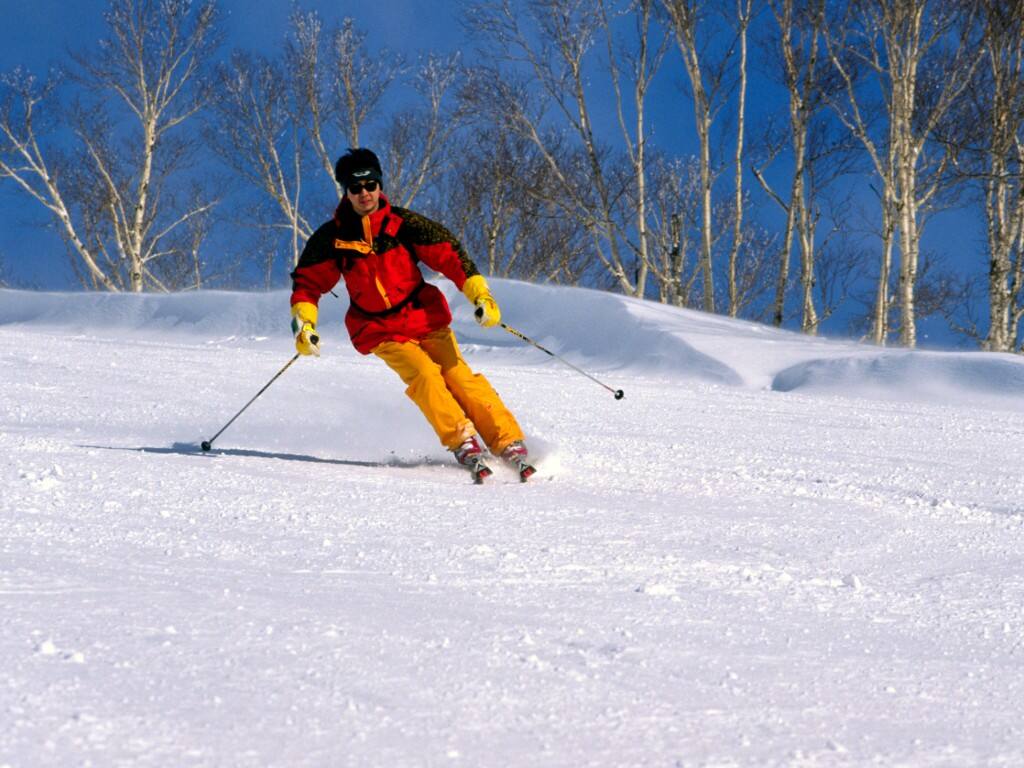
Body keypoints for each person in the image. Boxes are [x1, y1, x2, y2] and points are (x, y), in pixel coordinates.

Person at [289, 148, 533, 479]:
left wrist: (480, 295)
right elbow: (307, 284)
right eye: (356, 188)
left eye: (371, 184)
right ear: (345, 191)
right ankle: (463, 441)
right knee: (424, 374)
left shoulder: (403, 224)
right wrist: (304, 325)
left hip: (424, 316)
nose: (365, 194)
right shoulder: (332, 238)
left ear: (379, 184)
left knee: (458, 376)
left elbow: (450, 254)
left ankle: (508, 442)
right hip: (378, 328)